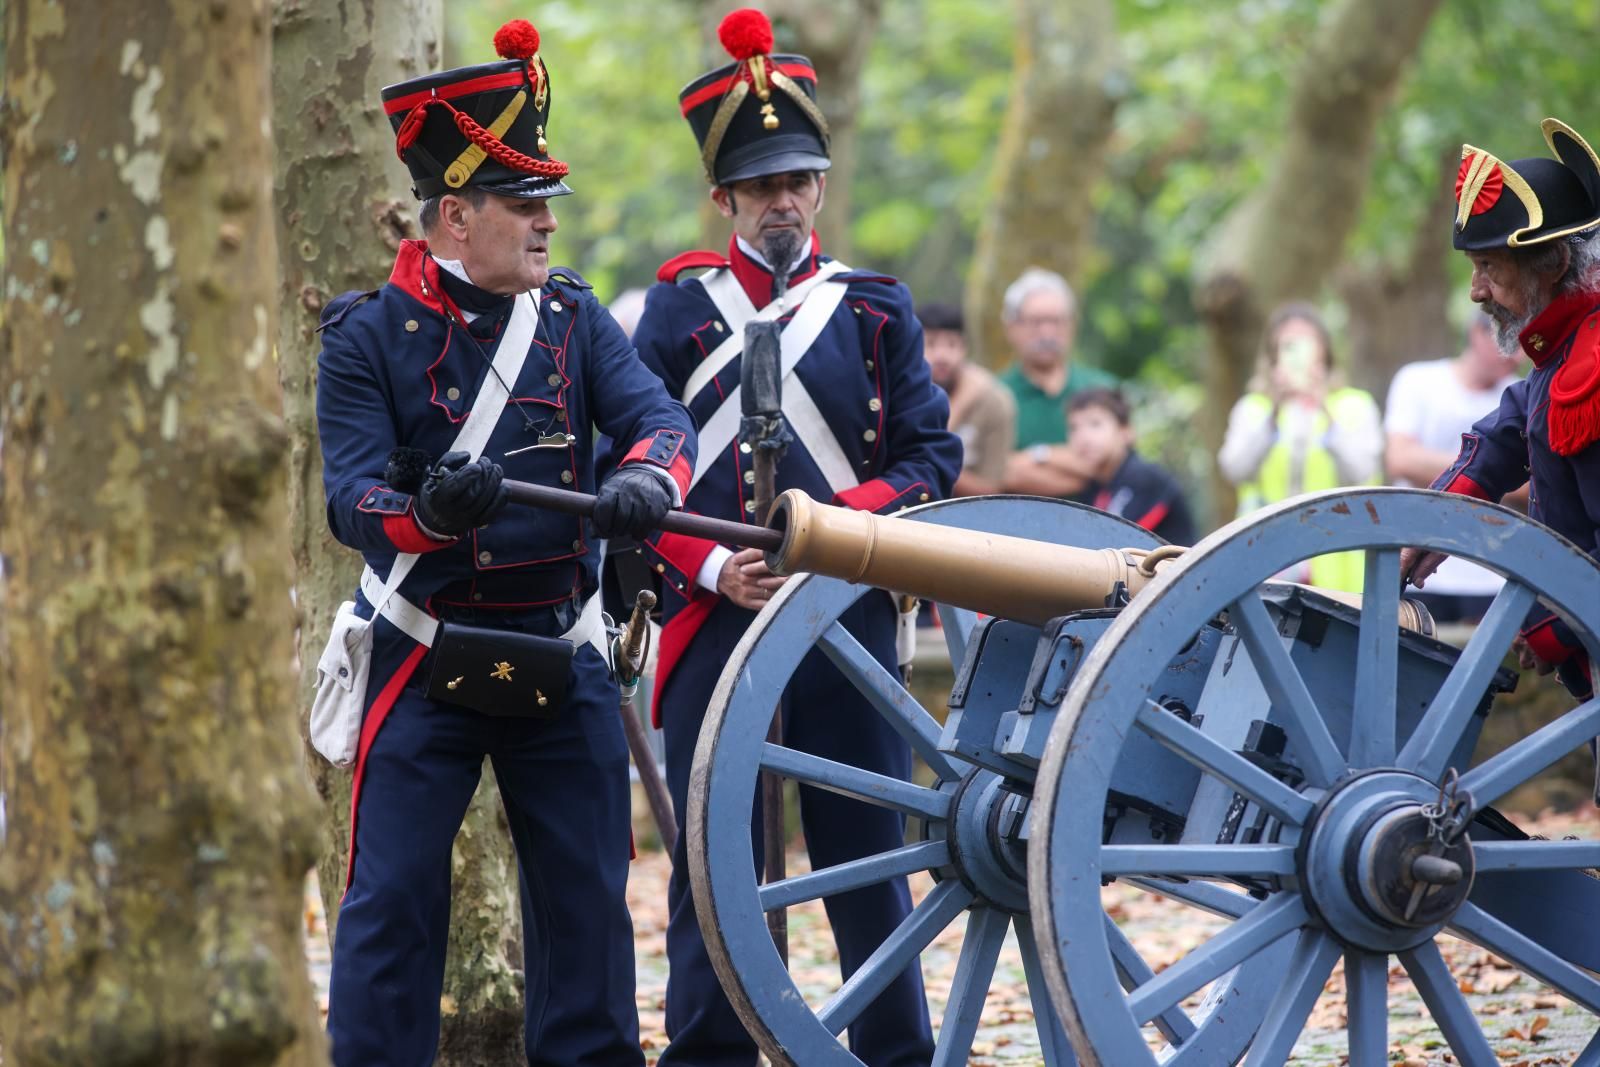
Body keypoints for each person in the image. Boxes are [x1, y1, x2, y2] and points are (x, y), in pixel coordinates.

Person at [315, 20, 698, 1066]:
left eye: (546, 207)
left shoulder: (574, 317)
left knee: (585, 903)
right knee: (390, 899)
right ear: (454, 213)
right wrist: (431, 515)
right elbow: (349, 502)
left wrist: (640, 482)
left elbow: (663, 422)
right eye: (524, 206)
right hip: (422, 648)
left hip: (560, 643)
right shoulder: (363, 337)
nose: (545, 226)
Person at [616, 10, 960, 1065]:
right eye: (760, 185)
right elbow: (632, 463)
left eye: (796, 179)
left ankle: (891, 1050)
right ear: (722, 198)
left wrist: (830, 533)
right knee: (719, 863)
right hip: (714, 613)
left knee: (863, 853)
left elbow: (928, 464)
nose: (782, 200)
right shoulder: (676, 311)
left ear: (817, 186)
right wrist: (712, 563)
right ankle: (711, 1052)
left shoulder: (872, 309)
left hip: (842, 615)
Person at [1404, 117, 1600, 705]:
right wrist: (1434, 526)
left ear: (1554, 264)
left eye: (1489, 267)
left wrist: (1552, 624)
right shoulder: (1564, 351)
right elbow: (1508, 434)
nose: (1476, 291)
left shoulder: (1591, 367)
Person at [1217, 302, 1383, 592]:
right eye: (1288, 344)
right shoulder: (1254, 408)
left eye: (1306, 343)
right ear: (1273, 354)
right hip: (1264, 551)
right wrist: (1274, 414)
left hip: (1335, 558)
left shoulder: (1354, 405)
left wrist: (1324, 409)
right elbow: (1235, 469)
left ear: (1324, 351)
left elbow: (1361, 471)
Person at [1384, 312, 1522, 622]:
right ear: (1478, 333)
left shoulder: (1521, 395)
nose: (1518, 356)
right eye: (1510, 344)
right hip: (1420, 564)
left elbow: (1535, 483)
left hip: (1492, 573)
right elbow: (1400, 458)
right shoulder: (1418, 380)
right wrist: (1492, 466)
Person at [997, 267, 1117, 497]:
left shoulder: (1103, 390)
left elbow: (1115, 468)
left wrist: (1038, 455)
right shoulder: (995, 394)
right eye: (1036, 322)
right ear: (1011, 327)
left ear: (1072, 325)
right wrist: (1080, 466)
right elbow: (998, 474)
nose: (1047, 332)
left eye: (1056, 321)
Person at [1067, 388, 1198, 545]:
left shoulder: (1146, 478)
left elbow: (1118, 540)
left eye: (1095, 424)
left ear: (1126, 431)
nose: (1083, 437)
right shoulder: (1092, 488)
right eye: (1074, 428)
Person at [919, 300, 1016, 495]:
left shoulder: (994, 401)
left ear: (965, 349)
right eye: (930, 344)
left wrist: (930, 465)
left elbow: (992, 487)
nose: (942, 355)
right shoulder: (900, 394)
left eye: (952, 344)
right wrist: (961, 403)